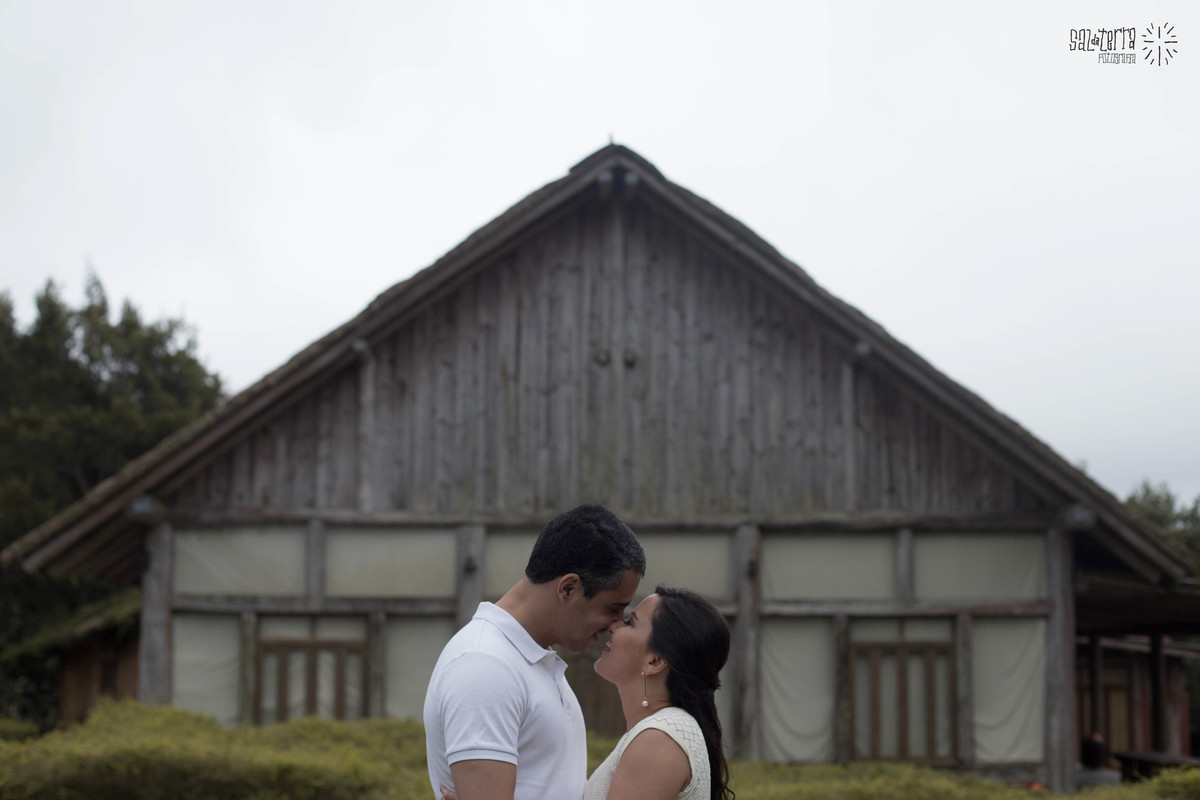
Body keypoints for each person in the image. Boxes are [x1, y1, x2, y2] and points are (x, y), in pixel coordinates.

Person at [424, 503, 646, 800]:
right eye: (613, 608)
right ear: (568, 588)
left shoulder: (532, 660)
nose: (616, 625)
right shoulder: (485, 665)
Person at [585, 585, 733, 800]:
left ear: (655, 661)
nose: (613, 625)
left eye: (629, 622)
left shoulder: (657, 741)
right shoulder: (661, 733)